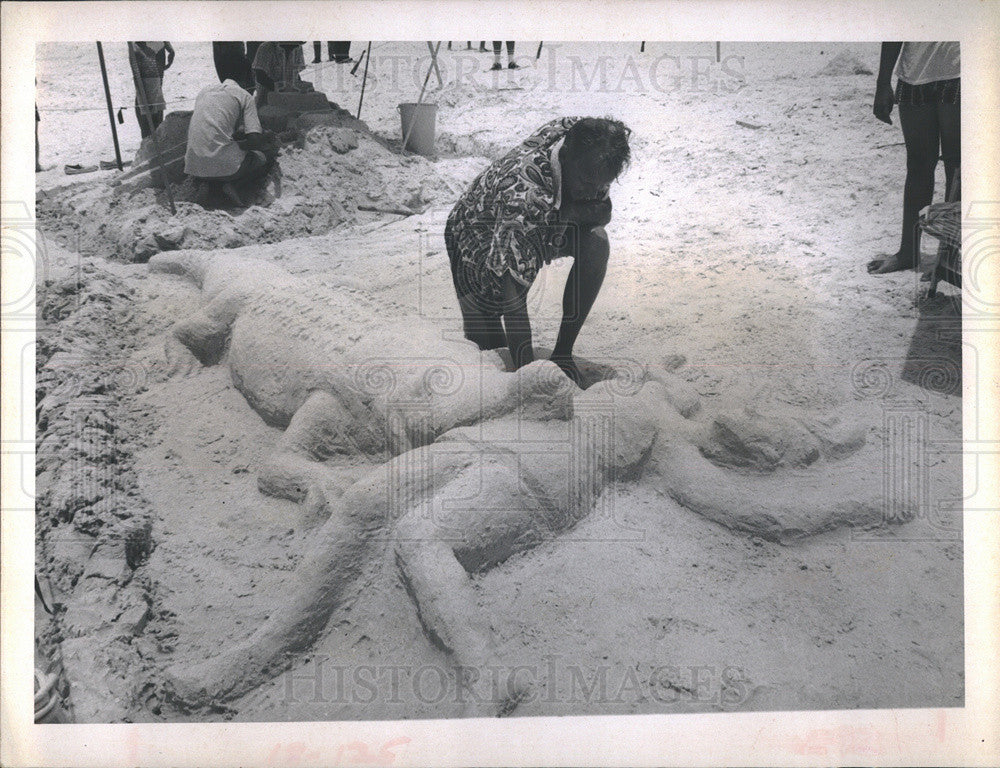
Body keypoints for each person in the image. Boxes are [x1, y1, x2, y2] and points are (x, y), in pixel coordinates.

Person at [445, 117, 631, 383]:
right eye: (587, 183)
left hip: (543, 211)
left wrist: (566, 213)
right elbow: (514, 302)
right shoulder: (524, 198)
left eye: (602, 185)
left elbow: (603, 212)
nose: (595, 192)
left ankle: (563, 355)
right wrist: (530, 382)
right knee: (491, 357)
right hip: (474, 234)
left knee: (596, 242)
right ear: (565, 158)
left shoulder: (590, 143)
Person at [868, 42, 960, 275]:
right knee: (918, 165)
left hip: (959, 72)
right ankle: (909, 252)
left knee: (957, 168)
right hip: (913, 76)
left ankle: (948, 257)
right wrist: (882, 83)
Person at [184, 56, 278, 206]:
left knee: (222, 151)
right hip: (225, 169)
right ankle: (234, 185)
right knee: (264, 155)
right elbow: (254, 141)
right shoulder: (244, 96)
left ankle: (210, 187)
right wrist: (268, 139)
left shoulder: (204, 92)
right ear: (248, 76)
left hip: (193, 166)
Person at [129, 41, 174, 138]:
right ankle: (148, 139)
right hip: (141, 44)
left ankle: (155, 139)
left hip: (158, 44)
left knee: (156, 91)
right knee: (145, 93)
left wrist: (167, 44)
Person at [252, 41, 309, 106]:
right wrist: (280, 88)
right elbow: (260, 77)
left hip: (289, 99)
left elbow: (296, 73)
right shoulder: (266, 48)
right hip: (266, 99)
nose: (297, 46)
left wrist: (300, 86)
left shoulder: (297, 47)